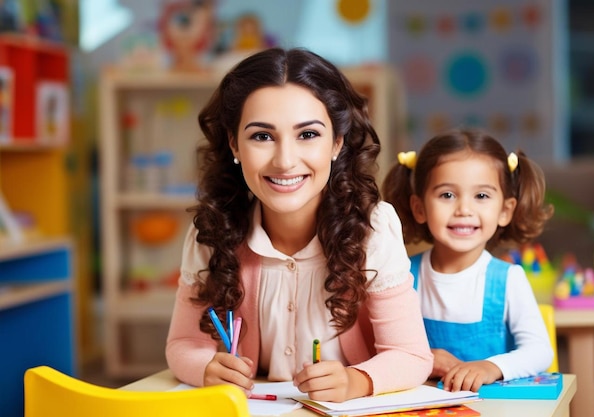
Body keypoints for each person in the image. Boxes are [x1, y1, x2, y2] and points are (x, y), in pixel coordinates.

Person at [166, 47, 433, 402]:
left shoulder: (374, 227)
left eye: (307, 134)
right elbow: (184, 344)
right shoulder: (212, 232)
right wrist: (206, 368)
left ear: (337, 142)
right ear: (234, 144)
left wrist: (356, 381)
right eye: (262, 136)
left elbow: (411, 355)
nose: (285, 160)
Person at [383, 128, 555, 393]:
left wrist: (490, 367)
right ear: (419, 208)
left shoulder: (509, 279)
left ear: (505, 210)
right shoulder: (400, 276)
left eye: (482, 196)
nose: (464, 209)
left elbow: (540, 352)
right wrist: (418, 359)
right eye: (447, 195)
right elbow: (377, 346)